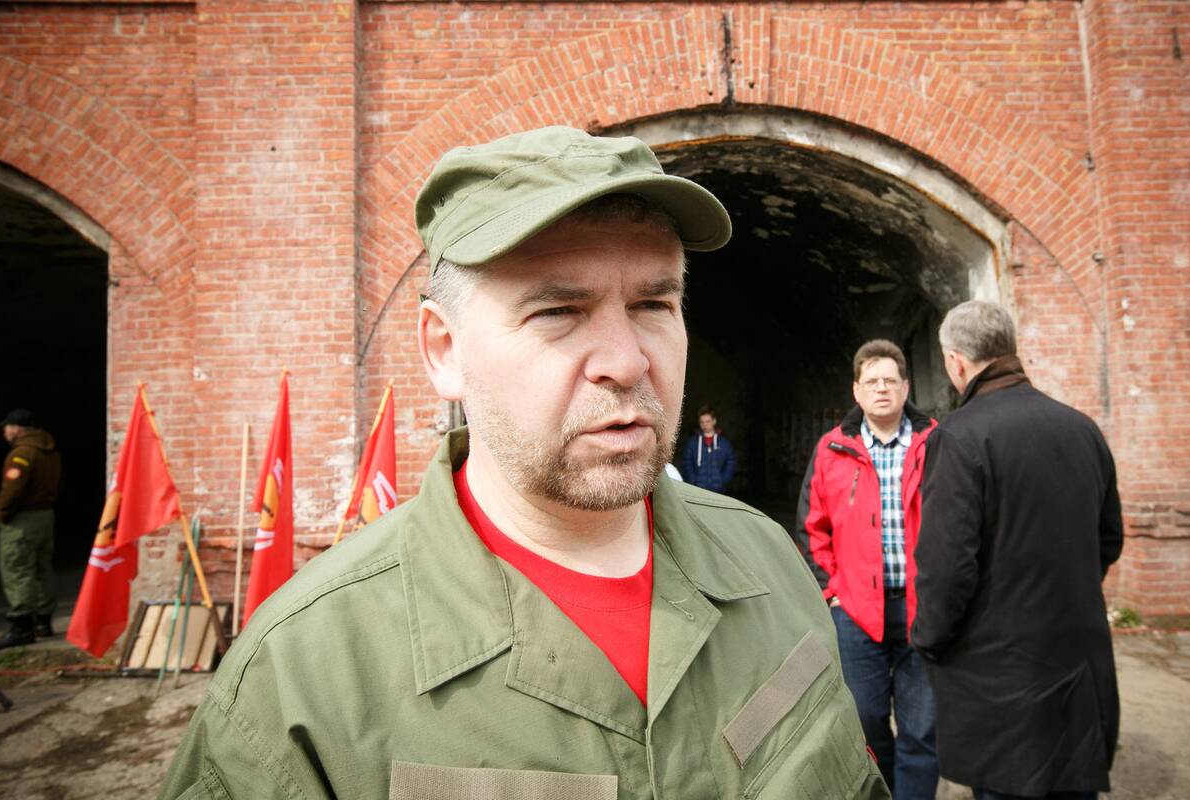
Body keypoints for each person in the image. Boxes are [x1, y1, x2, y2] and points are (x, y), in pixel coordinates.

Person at [161, 126, 889, 800]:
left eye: (653, 305)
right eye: (558, 312)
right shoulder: (299, 681)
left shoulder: (767, 561)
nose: (627, 361)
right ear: (445, 350)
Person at [911, 300, 1124, 800]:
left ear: (955, 361)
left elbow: (947, 567)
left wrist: (930, 639)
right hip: (1076, 665)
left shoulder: (958, 438)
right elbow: (1109, 537)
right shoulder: (1081, 429)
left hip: (1000, 682)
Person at [794, 339, 940, 798]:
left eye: (890, 381)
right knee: (866, 723)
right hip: (856, 612)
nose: (881, 389)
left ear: (906, 388)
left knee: (922, 730)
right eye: (871, 381)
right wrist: (832, 593)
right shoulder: (832, 448)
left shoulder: (936, 445)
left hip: (923, 610)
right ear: (856, 390)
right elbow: (811, 528)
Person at [0, 409, 62, 651]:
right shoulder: (50, 451)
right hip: (45, 515)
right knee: (42, 567)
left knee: (18, 568)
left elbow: (12, 488)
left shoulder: (21, 454)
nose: (4, 432)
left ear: (17, 429)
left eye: (7, 427)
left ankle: (22, 626)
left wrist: (2, 512)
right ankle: (43, 620)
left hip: (23, 519)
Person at [681, 404, 735, 492]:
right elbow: (687, 463)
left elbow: (731, 462)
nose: (704, 425)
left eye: (708, 421)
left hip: (718, 490)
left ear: (714, 421)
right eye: (702, 422)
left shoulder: (724, 443)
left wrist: (723, 480)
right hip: (698, 489)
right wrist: (693, 481)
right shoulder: (693, 442)